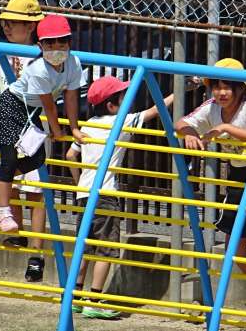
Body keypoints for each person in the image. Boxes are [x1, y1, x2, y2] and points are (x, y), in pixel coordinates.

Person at [175, 58, 246, 331]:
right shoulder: (212, 107)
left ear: (240, 88)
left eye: (227, 87)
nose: (221, 92)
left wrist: (226, 129)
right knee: (235, 250)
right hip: (239, 176)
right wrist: (190, 133)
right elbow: (181, 123)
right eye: (216, 87)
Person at [65, 75, 175, 319]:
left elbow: (70, 156)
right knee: (106, 249)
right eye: (123, 97)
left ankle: (75, 298)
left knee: (85, 246)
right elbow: (154, 111)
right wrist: (177, 92)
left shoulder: (88, 124)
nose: (127, 101)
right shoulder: (121, 121)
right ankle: (94, 301)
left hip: (85, 194)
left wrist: (80, 181)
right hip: (105, 194)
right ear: (112, 105)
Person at [0, 12, 86, 236]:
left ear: (69, 43)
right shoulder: (39, 69)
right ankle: (4, 214)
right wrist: (57, 131)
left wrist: (74, 128)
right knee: (9, 160)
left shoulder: (73, 63)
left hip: (29, 113)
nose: (56, 48)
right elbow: (49, 105)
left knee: (37, 159)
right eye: (49, 44)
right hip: (8, 109)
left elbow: (72, 96)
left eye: (61, 42)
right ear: (40, 46)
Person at [0, 0, 49, 282]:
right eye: (5, 23)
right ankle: (14, 229)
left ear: (30, 26)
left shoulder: (42, 54)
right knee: (12, 179)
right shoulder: (1, 54)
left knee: (36, 189)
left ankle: (37, 255)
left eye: (13, 23)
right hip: (8, 120)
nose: (7, 28)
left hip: (31, 125)